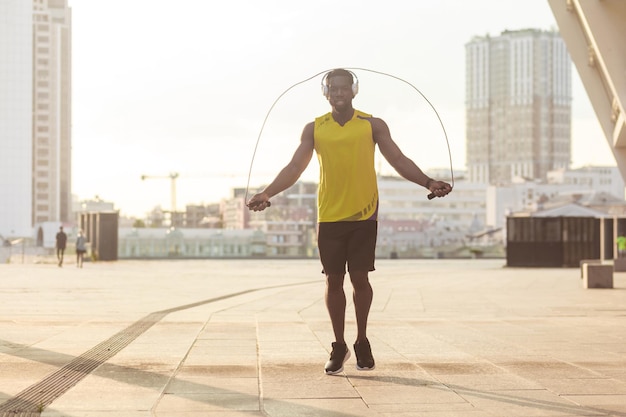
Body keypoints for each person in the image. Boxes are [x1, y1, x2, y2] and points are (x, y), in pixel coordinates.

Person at [247, 68, 452, 375]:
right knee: (332, 281)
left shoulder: (372, 125)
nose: (339, 93)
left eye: (344, 88)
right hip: (329, 215)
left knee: (360, 278)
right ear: (325, 92)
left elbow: (398, 159)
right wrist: (266, 193)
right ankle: (339, 345)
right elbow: (295, 167)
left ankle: (362, 342)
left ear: (354, 90)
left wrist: (427, 181)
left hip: (364, 214)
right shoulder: (315, 128)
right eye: (333, 88)